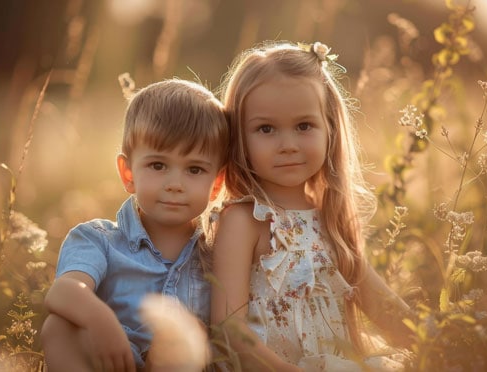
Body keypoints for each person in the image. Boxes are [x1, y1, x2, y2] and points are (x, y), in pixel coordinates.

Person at [210, 41, 413, 371]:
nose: (287, 145)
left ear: (330, 129)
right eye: (266, 129)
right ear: (238, 138)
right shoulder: (245, 220)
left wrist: (444, 344)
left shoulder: (329, 219)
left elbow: (386, 308)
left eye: (304, 126)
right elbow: (228, 329)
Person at [41, 78, 229, 372]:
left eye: (194, 169)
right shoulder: (98, 240)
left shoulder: (219, 251)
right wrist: (100, 320)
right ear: (128, 172)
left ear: (216, 183)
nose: (175, 184)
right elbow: (62, 292)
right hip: (115, 363)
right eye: (158, 165)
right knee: (58, 327)